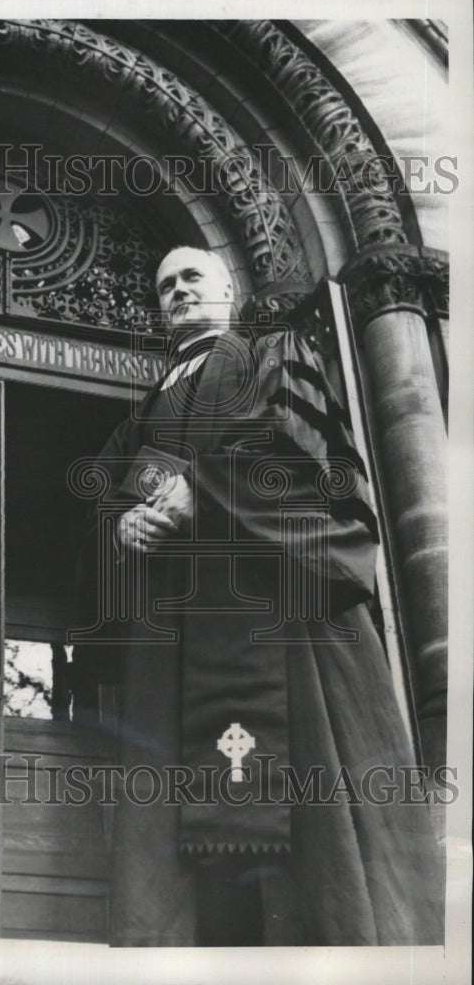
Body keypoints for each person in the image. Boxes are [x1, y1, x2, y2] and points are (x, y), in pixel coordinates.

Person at [70, 246, 444, 947]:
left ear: (229, 291)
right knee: (184, 807)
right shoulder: (145, 407)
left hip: (276, 612)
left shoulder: (273, 353)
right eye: (165, 285)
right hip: (178, 631)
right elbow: (110, 501)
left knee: (307, 800)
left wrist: (202, 490)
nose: (178, 291)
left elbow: (296, 448)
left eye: (191, 278)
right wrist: (123, 523)